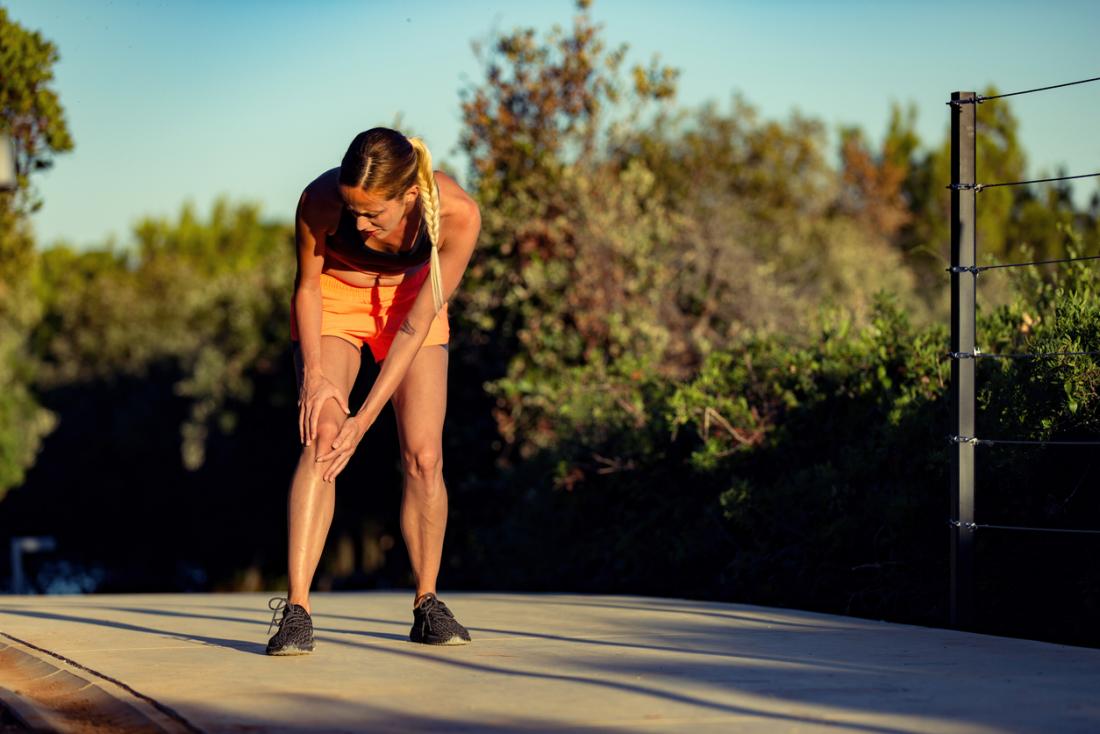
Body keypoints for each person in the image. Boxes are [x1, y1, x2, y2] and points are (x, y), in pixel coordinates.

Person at [265, 128, 481, 655]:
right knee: (324, 435)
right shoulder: (320, 200)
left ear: (410, 195)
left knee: (425, 456)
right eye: (351, 209)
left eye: (371, 214)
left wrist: (366, 418)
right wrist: (314, 375)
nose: (358, 224)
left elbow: (416, 326)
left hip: (411, 308)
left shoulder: (457, 216)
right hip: (337, 301)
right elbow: (308, 286)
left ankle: (427, 603)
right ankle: (296, 611)